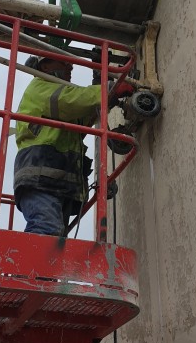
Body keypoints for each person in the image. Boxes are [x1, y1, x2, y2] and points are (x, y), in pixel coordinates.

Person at [13, 55, 132, 236]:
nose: (71, 68)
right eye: (64, 63)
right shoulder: (40, 87)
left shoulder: (58, 101)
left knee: (56, 237)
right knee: (47, 230)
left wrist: (108, 98)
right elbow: (72, 101)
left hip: (57, 180)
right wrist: (109, 89)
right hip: (41, 177)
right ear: (45, 66)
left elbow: (81, 116)